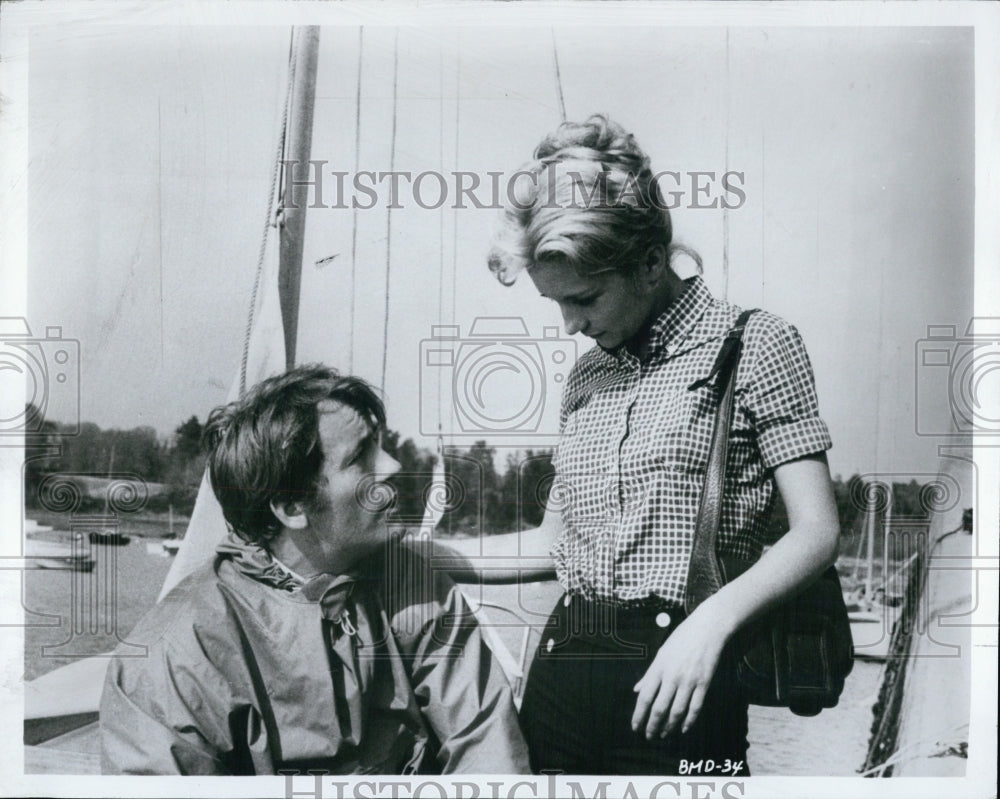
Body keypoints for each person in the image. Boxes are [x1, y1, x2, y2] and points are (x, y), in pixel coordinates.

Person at [468, 114, 840, 775]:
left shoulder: (756, 343)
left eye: (583, 299)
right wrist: (409, 554)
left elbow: (816, 532)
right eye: (557, 304)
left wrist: (711, 624)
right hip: (558, 682)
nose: (571, 325)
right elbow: (552, 543)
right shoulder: (588, 373)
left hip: (685, 692)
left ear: (646, 264)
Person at [100, 365, 529, 775]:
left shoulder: (415, 588)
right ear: (291, 507)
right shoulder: (174, 655)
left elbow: (489, 754)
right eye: (361, 457)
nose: (394, 467)